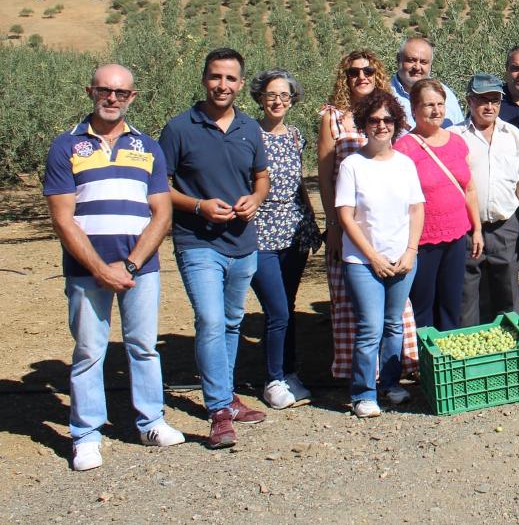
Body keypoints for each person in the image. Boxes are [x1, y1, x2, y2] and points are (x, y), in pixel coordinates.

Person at [45, 64, 184, 471]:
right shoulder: (66, 146)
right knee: (89, 350)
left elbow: (161, 213)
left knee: (143, 347)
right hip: (86, 269)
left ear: (132, 98)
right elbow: (62, 218)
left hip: (141, 267)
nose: (112, 98)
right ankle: (86, 435)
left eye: (121, 93)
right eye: (105, 90)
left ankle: (151, 421)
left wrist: (131, 263)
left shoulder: (148, 147)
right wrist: (101, 269)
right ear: (91, 91)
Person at [159, 48, 270, 449]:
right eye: (215, 77)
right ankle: (220, 409)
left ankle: (225, 396)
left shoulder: (248, 128)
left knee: (231, 321)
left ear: (241, 84)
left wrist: (256, 199)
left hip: (242, 242)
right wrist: (199, 206)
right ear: (204, 79)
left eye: (230, 79)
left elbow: (261, 178)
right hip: (197, 243)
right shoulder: (178, 129)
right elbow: (161, 187)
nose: (222, 85)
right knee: (209, 319)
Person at [318, 51, 419, 382]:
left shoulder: (387, 112)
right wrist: (333, 226)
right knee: (353, 309)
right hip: (351, 226)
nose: (361, 76)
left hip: (388, 228)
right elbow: (325, 174)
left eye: (368, 70)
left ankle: (393, 373)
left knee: (393, 313)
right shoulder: (333, 117)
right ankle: (359, 378)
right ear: (344, 77)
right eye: (353, 72)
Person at [335, 91, 426, 417]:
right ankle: (363, 393)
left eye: (388, 119)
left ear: (397, 123)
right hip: (362, 261)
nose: (381, 125)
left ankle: (390, 384)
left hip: (402, 259)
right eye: (374, 120)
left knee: (393, 325)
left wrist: (411, 251)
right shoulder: (352, 165)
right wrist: (372, 256)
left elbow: (417, 209)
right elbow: (346, 216)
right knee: (370, 327)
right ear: (364, 124)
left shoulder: (405, 164)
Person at [249, 69, 320, 410]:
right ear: (260, 98)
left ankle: (289, 372)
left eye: (285, 95)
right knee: (276, 308)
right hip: (260, 232)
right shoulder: (248, 134)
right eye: (271, 95)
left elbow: (298, 185)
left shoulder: (295, 137)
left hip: (294, 230)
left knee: (288, 306)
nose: (278, 101)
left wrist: (313, 222)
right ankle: (273, 378)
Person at [451, 74, 519, 325]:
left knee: (508, 293)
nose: (490, 106)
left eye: (495, 100)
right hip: (468, 229)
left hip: (505, 226)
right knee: (467, 295)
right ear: (469, 101)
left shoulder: (512, 135)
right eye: (483, 100)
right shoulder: (454, 136)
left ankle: (509, 351)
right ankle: (469, 353)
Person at [394, 79, 483, 330]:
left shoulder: (457, 142)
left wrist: (476, 229)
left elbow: (470, 189)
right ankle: (423, 364)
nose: (436, 111)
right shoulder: (403, 149)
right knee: (422, 306)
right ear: (414, 109)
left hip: (456, 237)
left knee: (451, 304)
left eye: (440, 104)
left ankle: (447, 362)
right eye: (428, 105)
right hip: (422, 242)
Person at [391, 36, 464, 130]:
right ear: (398, 59)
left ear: (430, 64)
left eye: (423, 62)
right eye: (411, 60)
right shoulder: (384, 94)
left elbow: (460, 133)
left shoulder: (446, 94)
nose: (417, 67)